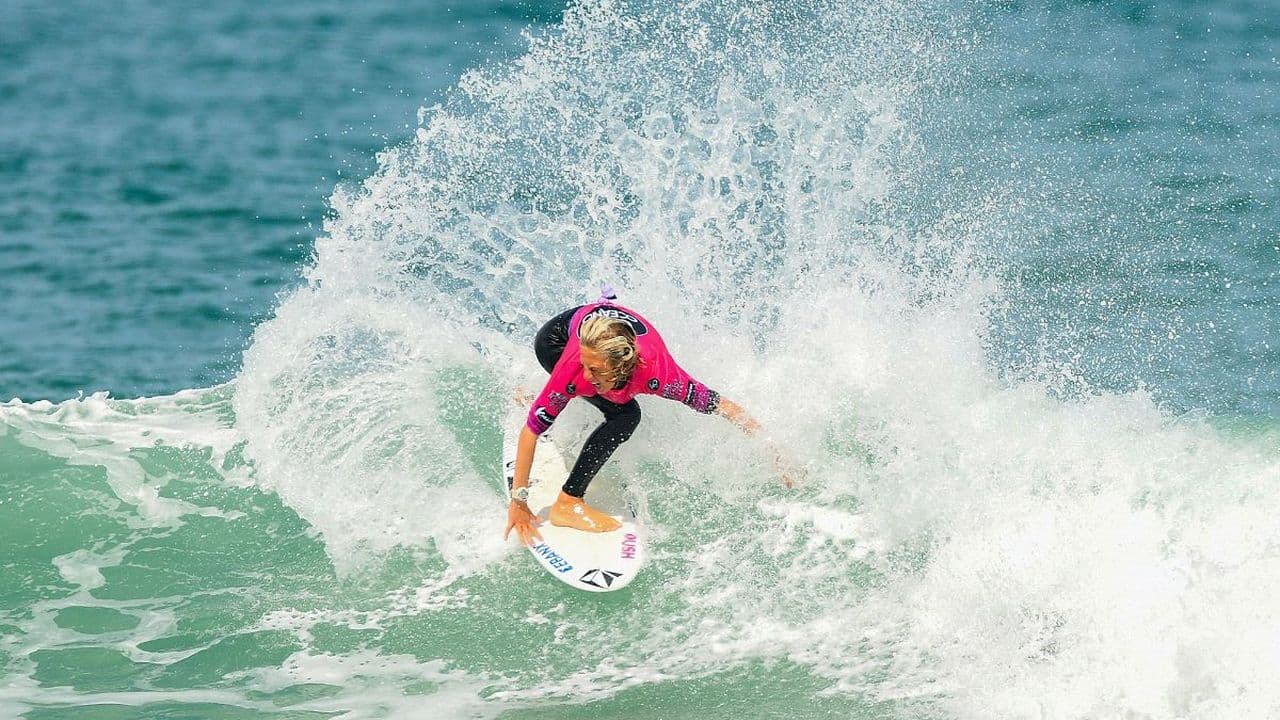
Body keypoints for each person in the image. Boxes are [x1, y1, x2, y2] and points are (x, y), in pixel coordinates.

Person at [504, 289, 793, 547]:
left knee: (621, 410)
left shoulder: (663, 377)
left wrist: (776, 451)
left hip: (610, 342)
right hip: (555, 340)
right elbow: (530, 432)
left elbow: (723, 407)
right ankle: (567, 503)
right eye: (585, 366)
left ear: (621, 368)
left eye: (594, 370)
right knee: (624, 414)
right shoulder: (575, 365)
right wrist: (519, 501)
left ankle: (542, 399)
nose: (586, 374)